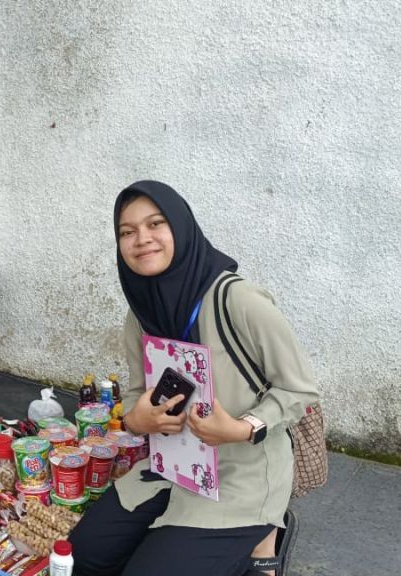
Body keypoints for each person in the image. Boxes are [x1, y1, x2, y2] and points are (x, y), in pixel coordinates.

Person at [69, 181, 319, 576]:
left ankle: (261, 543)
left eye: (156, 224)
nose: (142, 239)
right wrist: (139, 420)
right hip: (172, 466)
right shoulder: (140, 315)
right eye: (127, 231)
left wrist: (239, 428)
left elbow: (299, 389)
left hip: (241, 474)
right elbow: (137, 394)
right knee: (83, 555)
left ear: (181, 229)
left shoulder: (238, 301)